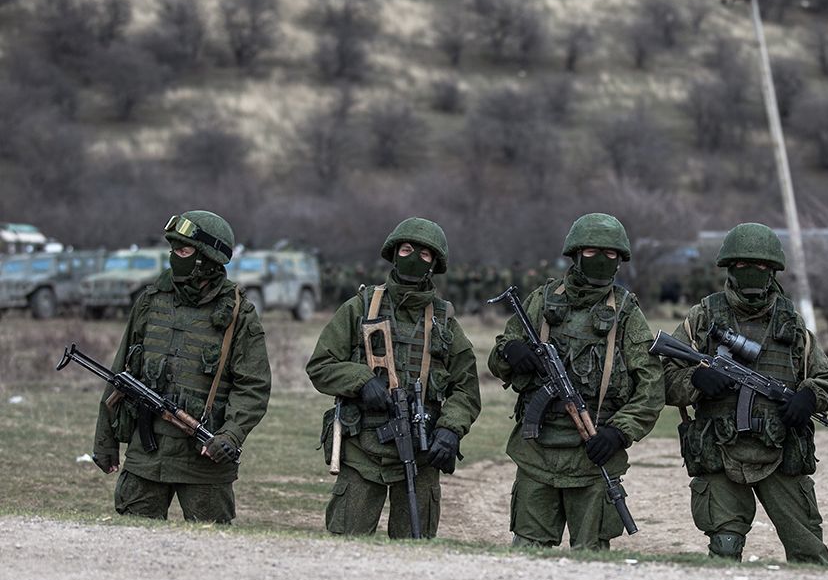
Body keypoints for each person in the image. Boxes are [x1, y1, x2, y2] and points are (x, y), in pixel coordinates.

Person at [662, 222, 828, 565]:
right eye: (744, 265)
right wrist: (696, 380)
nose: (752, 272)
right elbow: (663, 379)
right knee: (725, 550)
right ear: (730, 267)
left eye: (761, 266)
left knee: (809, 553)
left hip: (781, 451)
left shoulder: (792, 325)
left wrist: (808, 397)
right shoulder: (702, 318)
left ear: (773, 271)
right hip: (719, 448)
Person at [488, 212, 663, 550]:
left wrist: (619, 432)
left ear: (620, 260)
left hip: (593, 453)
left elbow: (651, 387)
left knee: (591, 556)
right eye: (592, 251)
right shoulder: (541, 300)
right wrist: (510, 351)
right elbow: (498, 359)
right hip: (537, 453)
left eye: (610, 254)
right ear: (576, 254)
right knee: (527, 554)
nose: (601, 259)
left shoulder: (626, 312)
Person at [305, 217, 481, 538]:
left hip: (420, 454)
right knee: (346, 546)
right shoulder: (361, 307)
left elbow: (466, 388)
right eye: (407, 249)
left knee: (414, 548)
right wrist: (361, 380)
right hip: (362, 452)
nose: (414, 258)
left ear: (434, 264)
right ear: (394, 252)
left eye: (424, 254)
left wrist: (450, 429)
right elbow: (321, 364)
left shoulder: (443, 321)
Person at [91, 210, 271, 522]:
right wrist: (105, 441)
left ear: (207, 258)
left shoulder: (239, 313)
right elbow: (120, 376)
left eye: (183, 250)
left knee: (209, 543)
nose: (174, 257)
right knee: (133, 540)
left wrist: (230, 436)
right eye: (173, 249)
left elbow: (253, 386)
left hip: (204, 458)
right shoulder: (151, 300)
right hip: (146, 458)